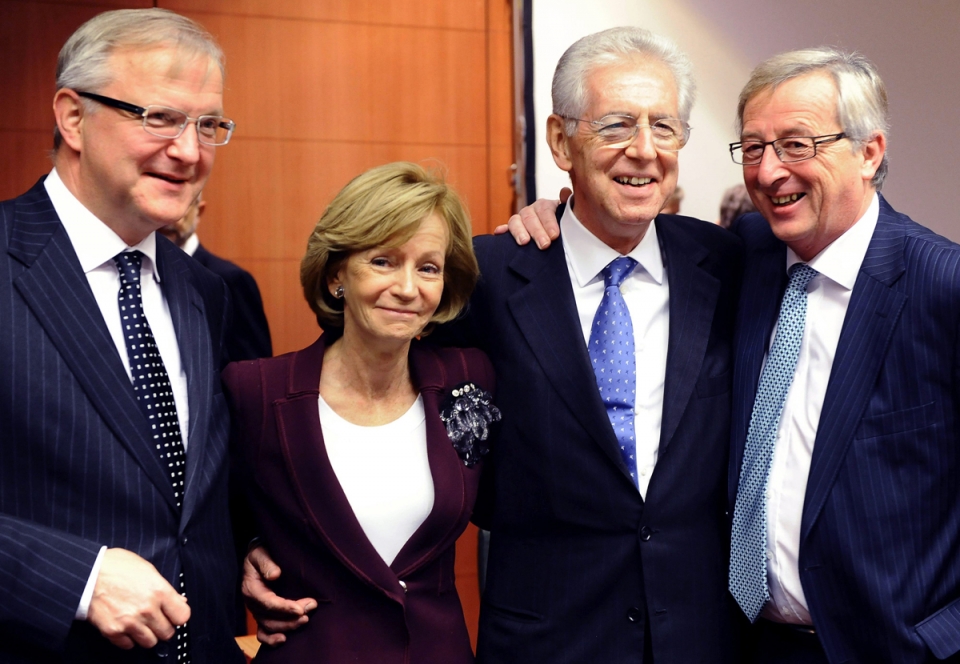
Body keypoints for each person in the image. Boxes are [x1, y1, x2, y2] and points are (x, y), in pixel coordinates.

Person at [0, 9, 244, 663]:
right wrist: (77, 578)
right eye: (158, 118)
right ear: (73, 117)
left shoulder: (204, 293)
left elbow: (186, 498)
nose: (190, 152)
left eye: (208, 125)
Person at [725, 47, 960, 664]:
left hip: (891, 648)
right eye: (753, 147)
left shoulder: (942, 286)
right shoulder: (745, 254)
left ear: (869, 152)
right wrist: (552, 219)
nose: (770, 171)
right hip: (749, 643)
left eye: (797, 145)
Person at [223, 162, 498, 663]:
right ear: (336, 275)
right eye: (383, 261)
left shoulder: (468, 379)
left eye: (428, 267)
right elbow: (212, 521)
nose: (409, 288)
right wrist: (244, 555)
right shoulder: (255, 392)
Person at [160, 192, 273, 360]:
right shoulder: (134, 274)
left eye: (179, 205)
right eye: (162, 205)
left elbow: (254, 369)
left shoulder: (230, 279)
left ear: (199, 210)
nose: (168, 218)